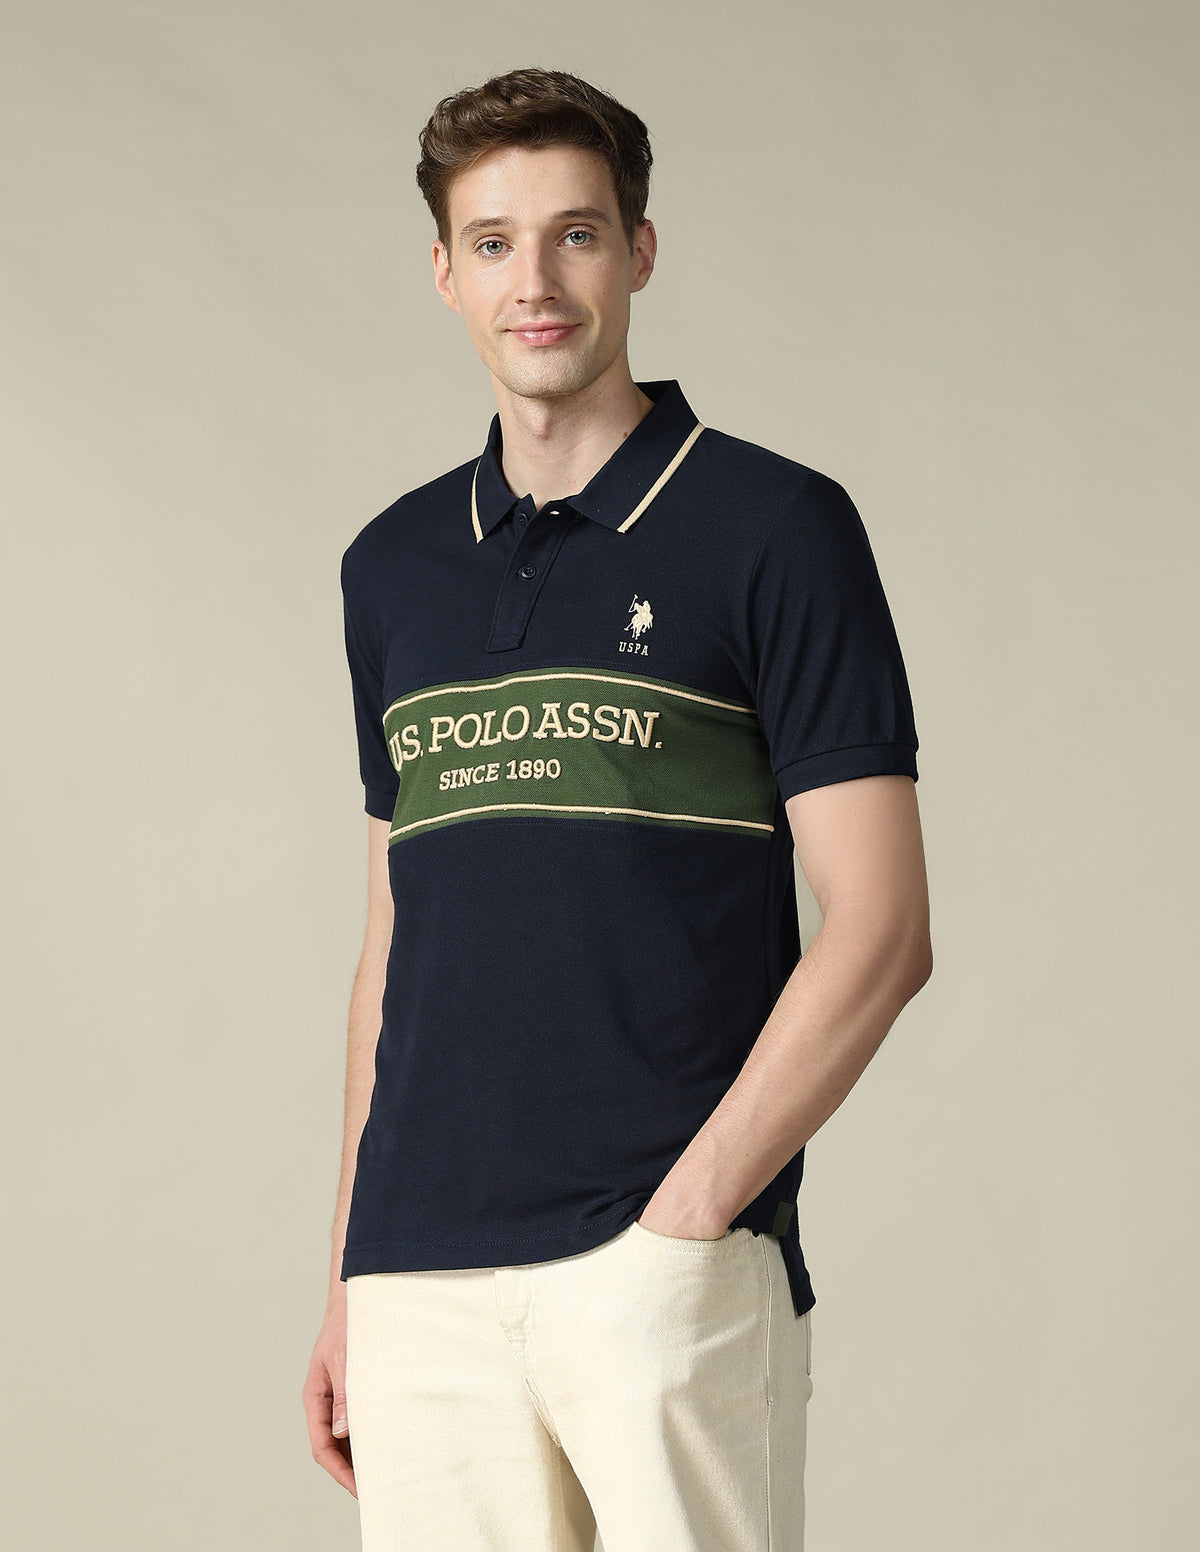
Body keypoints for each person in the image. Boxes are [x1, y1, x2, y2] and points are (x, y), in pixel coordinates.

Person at [302, 64, 933, 1552]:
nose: (535, 281)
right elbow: (394, 943)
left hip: (657, 1266)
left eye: (575, 235)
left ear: (639, 251)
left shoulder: (772, 527)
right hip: (419, 1283)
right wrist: (348, 1275)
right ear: (445, 272)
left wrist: (691, 1218)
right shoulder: (391, 569)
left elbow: (884, 928)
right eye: (495, 242)